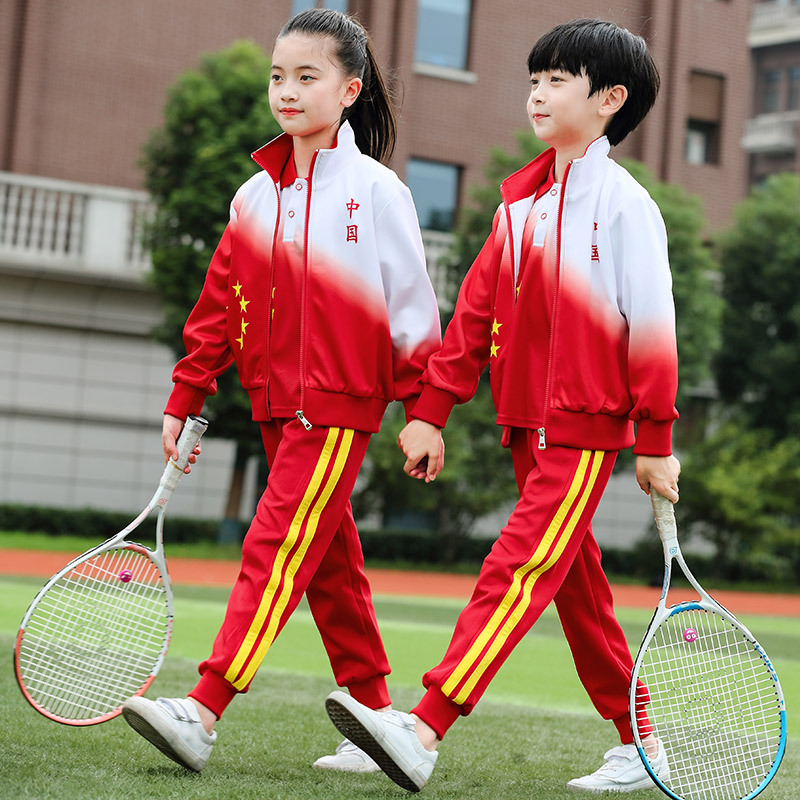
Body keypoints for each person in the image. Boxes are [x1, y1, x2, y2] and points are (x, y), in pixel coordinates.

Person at [324, 18, 681, 794]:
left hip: (586, 433)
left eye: (558, 79)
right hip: (526, 428)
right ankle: (640, 739)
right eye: (534, 79)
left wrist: (654, 438)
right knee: (577, 591)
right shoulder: (518, 205)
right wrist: (431, 409)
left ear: (611, 99)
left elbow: (654, 330)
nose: (538, 94)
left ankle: (424, 724)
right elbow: (473, 318)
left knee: (514, 571)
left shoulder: (628, 208)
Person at [121, 8, 441, 774]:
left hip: (339, 402)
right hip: (274, 401)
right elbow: (217, 303)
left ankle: (203, 709)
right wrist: (187, 393)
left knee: (275, 545)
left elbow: (415, 310)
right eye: (278, 76)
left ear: (349, 88)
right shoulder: (254, 197)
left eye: (307, 76)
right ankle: (373, 712)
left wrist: (428, 412)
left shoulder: (378, 191)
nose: (287, 91)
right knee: (327, 561)